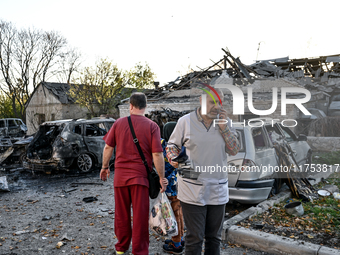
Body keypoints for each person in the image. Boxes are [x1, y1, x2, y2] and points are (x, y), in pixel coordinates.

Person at [166, 87, 240, 255]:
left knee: (214, 238)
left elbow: (234, 150)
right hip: (192, 188)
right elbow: (172, 146)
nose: (216, 106)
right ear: (201, 101)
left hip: (217, 188)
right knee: (195, 237)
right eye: (212, 102)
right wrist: (175, 159)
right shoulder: (185, 121)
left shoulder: (225, 123)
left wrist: (224, 129)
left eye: (219, 102)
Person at [100, 92, 167, 255]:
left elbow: (108, 147)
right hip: (141, 180)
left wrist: (104, 167)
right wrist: (161, 177)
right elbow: (157, 154)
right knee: (140, 217)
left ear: (130, 105)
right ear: (145, 106)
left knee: (121, 215)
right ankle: (139, 251)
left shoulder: (118, 123)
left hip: (120, 179)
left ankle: (121, 248)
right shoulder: (152, 126)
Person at [161, 122, 185, 254]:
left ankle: (176, 244)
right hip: (180, 185)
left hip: (171, 186)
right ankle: (179, 239)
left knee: (173, 214)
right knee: (179, 212)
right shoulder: (181, 146)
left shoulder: (166, 147)